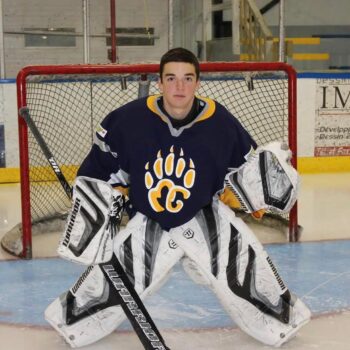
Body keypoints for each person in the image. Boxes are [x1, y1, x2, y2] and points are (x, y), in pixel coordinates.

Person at [45, 47, 310, 348]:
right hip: (150, 220)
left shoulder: (220, 122)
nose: (179, 87)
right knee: (106, 290)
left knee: (247, 275)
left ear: (198, 83)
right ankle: (72, 321)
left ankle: (282, 321)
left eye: (187, 78)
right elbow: (99, 169)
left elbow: (245, 170)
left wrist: (256, 192)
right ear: (159, 82)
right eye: (171, 79)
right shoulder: (128, 120)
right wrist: (104, 201)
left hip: (204, 215)